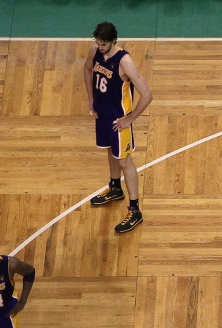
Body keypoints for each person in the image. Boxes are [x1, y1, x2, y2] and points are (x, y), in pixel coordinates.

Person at [83, 21, 153, 233]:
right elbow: (86, 69)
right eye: (98, 43)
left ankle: (135, 210)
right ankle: (115, 188)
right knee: (110, 152)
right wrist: (91, 100)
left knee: (125, 161)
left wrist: (129, 119)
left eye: (104, 44)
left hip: (118, 121)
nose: (100, 46)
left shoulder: (124, 61)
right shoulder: (94, 51)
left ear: (113, 40)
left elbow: (147, 94)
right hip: (102, 116)